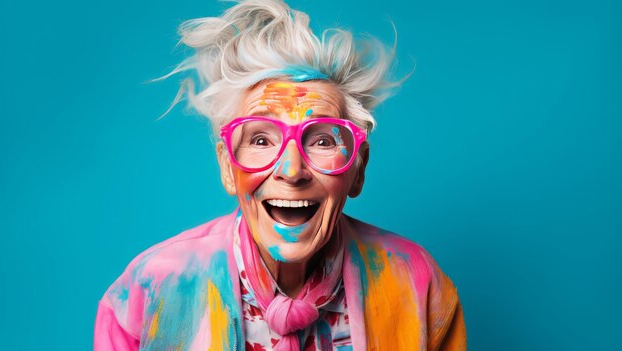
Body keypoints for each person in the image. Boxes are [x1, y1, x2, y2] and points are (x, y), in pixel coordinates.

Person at [94, 0, 466, 350]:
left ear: (357, 169)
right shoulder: (147, 293)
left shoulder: (418, 285)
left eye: (322, 140)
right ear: (227, 167)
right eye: (260, 139)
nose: (291, 170)